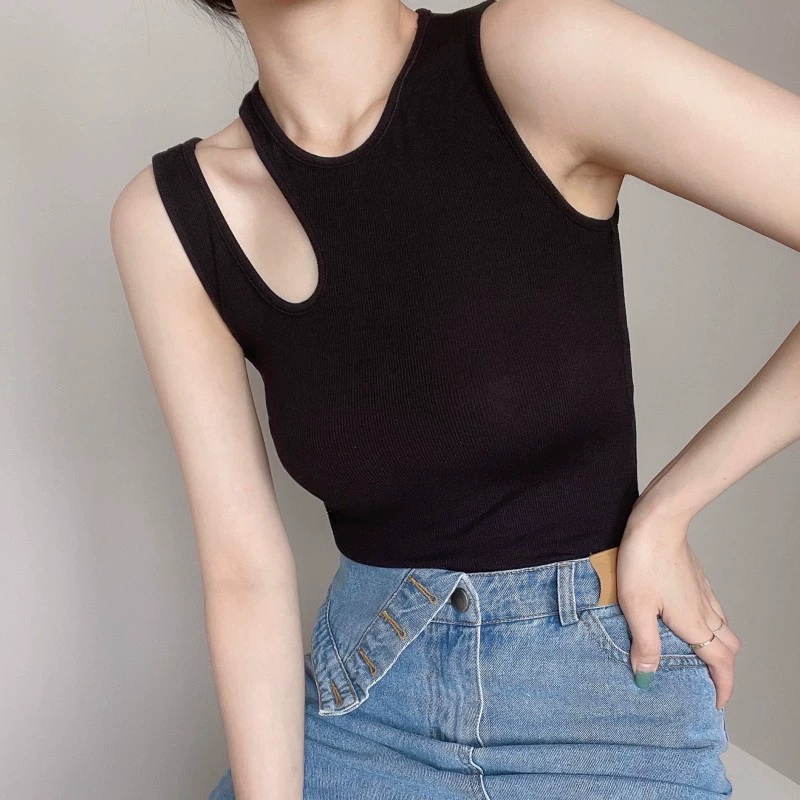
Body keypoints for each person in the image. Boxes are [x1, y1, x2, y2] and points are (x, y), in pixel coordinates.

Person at [109, 0, 800, 797]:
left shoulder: (541, 54)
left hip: (601, 704)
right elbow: (244, 571)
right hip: (359, 703)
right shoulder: (171, 218)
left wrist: (667, 509)